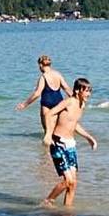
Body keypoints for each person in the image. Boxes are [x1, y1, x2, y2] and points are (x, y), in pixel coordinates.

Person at [42, 78, 97, 208]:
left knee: (73, 183)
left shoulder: (81, 105)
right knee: (68, 181)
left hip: (70, 145)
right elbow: (49, 113)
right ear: (78, 90)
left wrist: (89, 138)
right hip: (58, 143)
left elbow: (74, 124)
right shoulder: (69, 102)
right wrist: (48, 134)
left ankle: (67, 211)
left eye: (90, 91)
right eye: (87, 91)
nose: (89, 94)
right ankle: (48, 201)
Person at [17, 55, 72, 139]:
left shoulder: (43, 77)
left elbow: (37, 93)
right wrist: (77, 100)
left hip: (47, 104)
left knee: (48, 132)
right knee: (58, 131)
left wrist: (24, 104)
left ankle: (47, 150)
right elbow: (66, 88)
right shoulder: (58, 74)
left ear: (40, 65)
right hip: (59, 103)